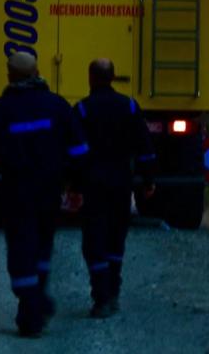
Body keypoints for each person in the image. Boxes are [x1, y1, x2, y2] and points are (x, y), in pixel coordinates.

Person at [0, 52, 89, 337]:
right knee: (43, 245)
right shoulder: (57, 106)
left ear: (10, 75)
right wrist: (76, 186)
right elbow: (78, 151)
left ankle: (30, 307)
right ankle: (38, 299)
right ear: (36, 72)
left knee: (21, 248)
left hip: (15, 192)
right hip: (50, 191)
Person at [73, 58, 156, 318]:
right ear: (113, 77)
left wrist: (73, 187)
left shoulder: (83, 110)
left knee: (94, 241)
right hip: (122, 185)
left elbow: (75, 153)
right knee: (116, 239)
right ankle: (113, 292)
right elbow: (145, 149)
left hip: (93, 186)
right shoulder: (130, 107)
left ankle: (102, 297)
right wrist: (148, 181)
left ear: (91, 78)